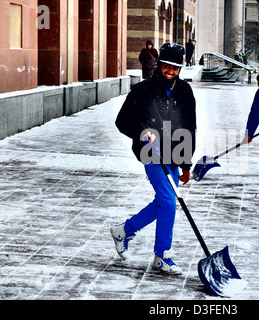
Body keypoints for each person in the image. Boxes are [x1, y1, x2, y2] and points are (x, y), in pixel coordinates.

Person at [112, 43, 196, 275]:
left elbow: (190, 127)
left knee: (163, 202)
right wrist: (143, 131)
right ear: (160, 65)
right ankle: (162, 255)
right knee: (169, 202)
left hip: (175, 153)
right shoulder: (143, 90)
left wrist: (186, 162)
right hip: (150, 152)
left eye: (176, 68)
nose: (171, 71)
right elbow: (122, 121)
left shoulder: (185, 91)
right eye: (167, 66)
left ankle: (124, 231)